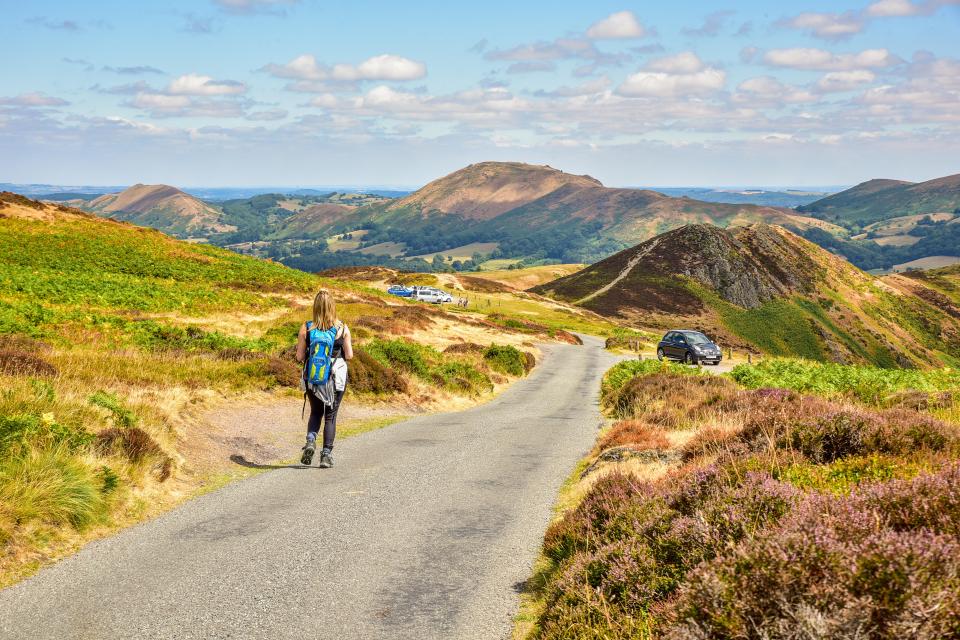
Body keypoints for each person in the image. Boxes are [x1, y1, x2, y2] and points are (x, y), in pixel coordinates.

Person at [296, 290, 353, 468]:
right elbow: (349, 355)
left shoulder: (307, 327)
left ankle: (311, 440)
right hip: (336, 378)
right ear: (333, 307)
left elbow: (299, 357)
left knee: (315, 412)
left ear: (315, 307)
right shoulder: (342, 328)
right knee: (330, 416)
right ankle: (326, 455)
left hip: (313, 377)